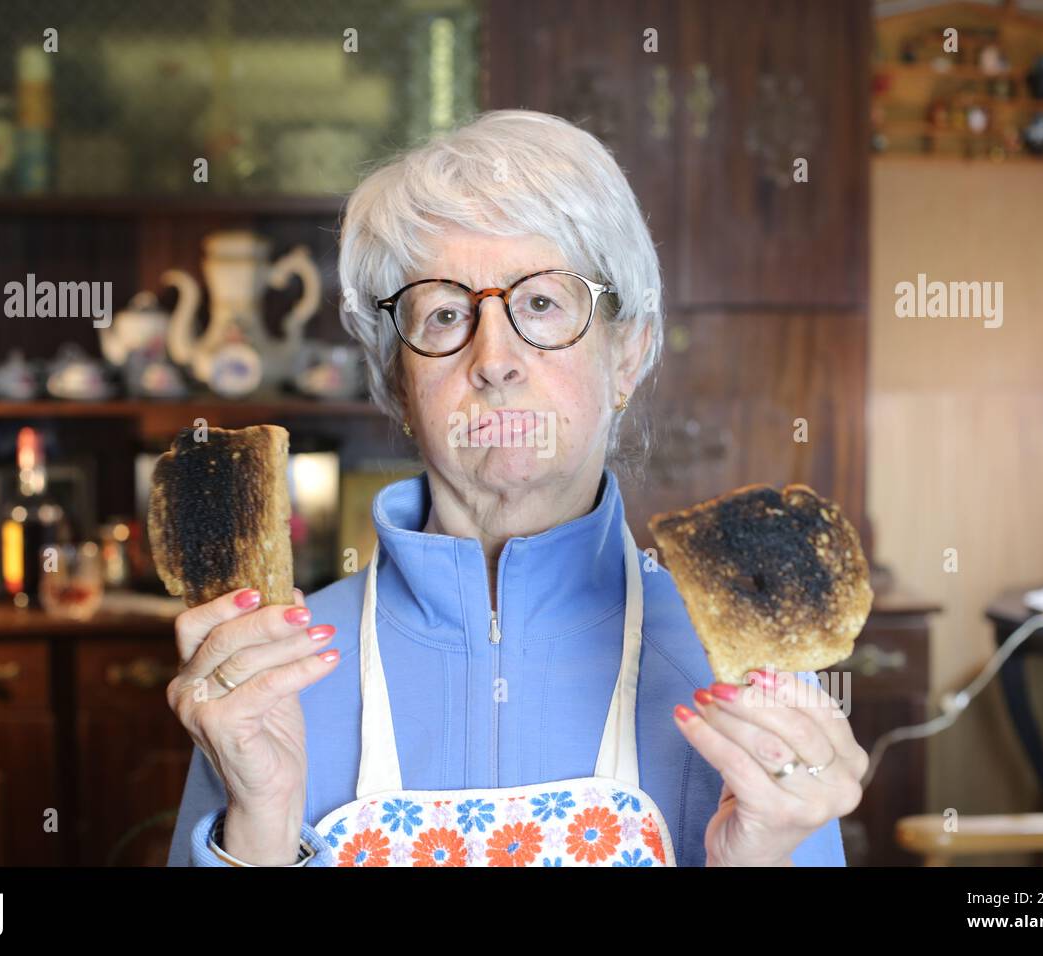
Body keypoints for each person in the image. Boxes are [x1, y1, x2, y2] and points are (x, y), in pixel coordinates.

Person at [166, 109, 866, 867]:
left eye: (540, 303)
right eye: (443, 315)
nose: (494, 359)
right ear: (399, 383)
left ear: (626, 356)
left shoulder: (739, 679)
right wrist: (261, 824)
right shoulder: (269, 673)